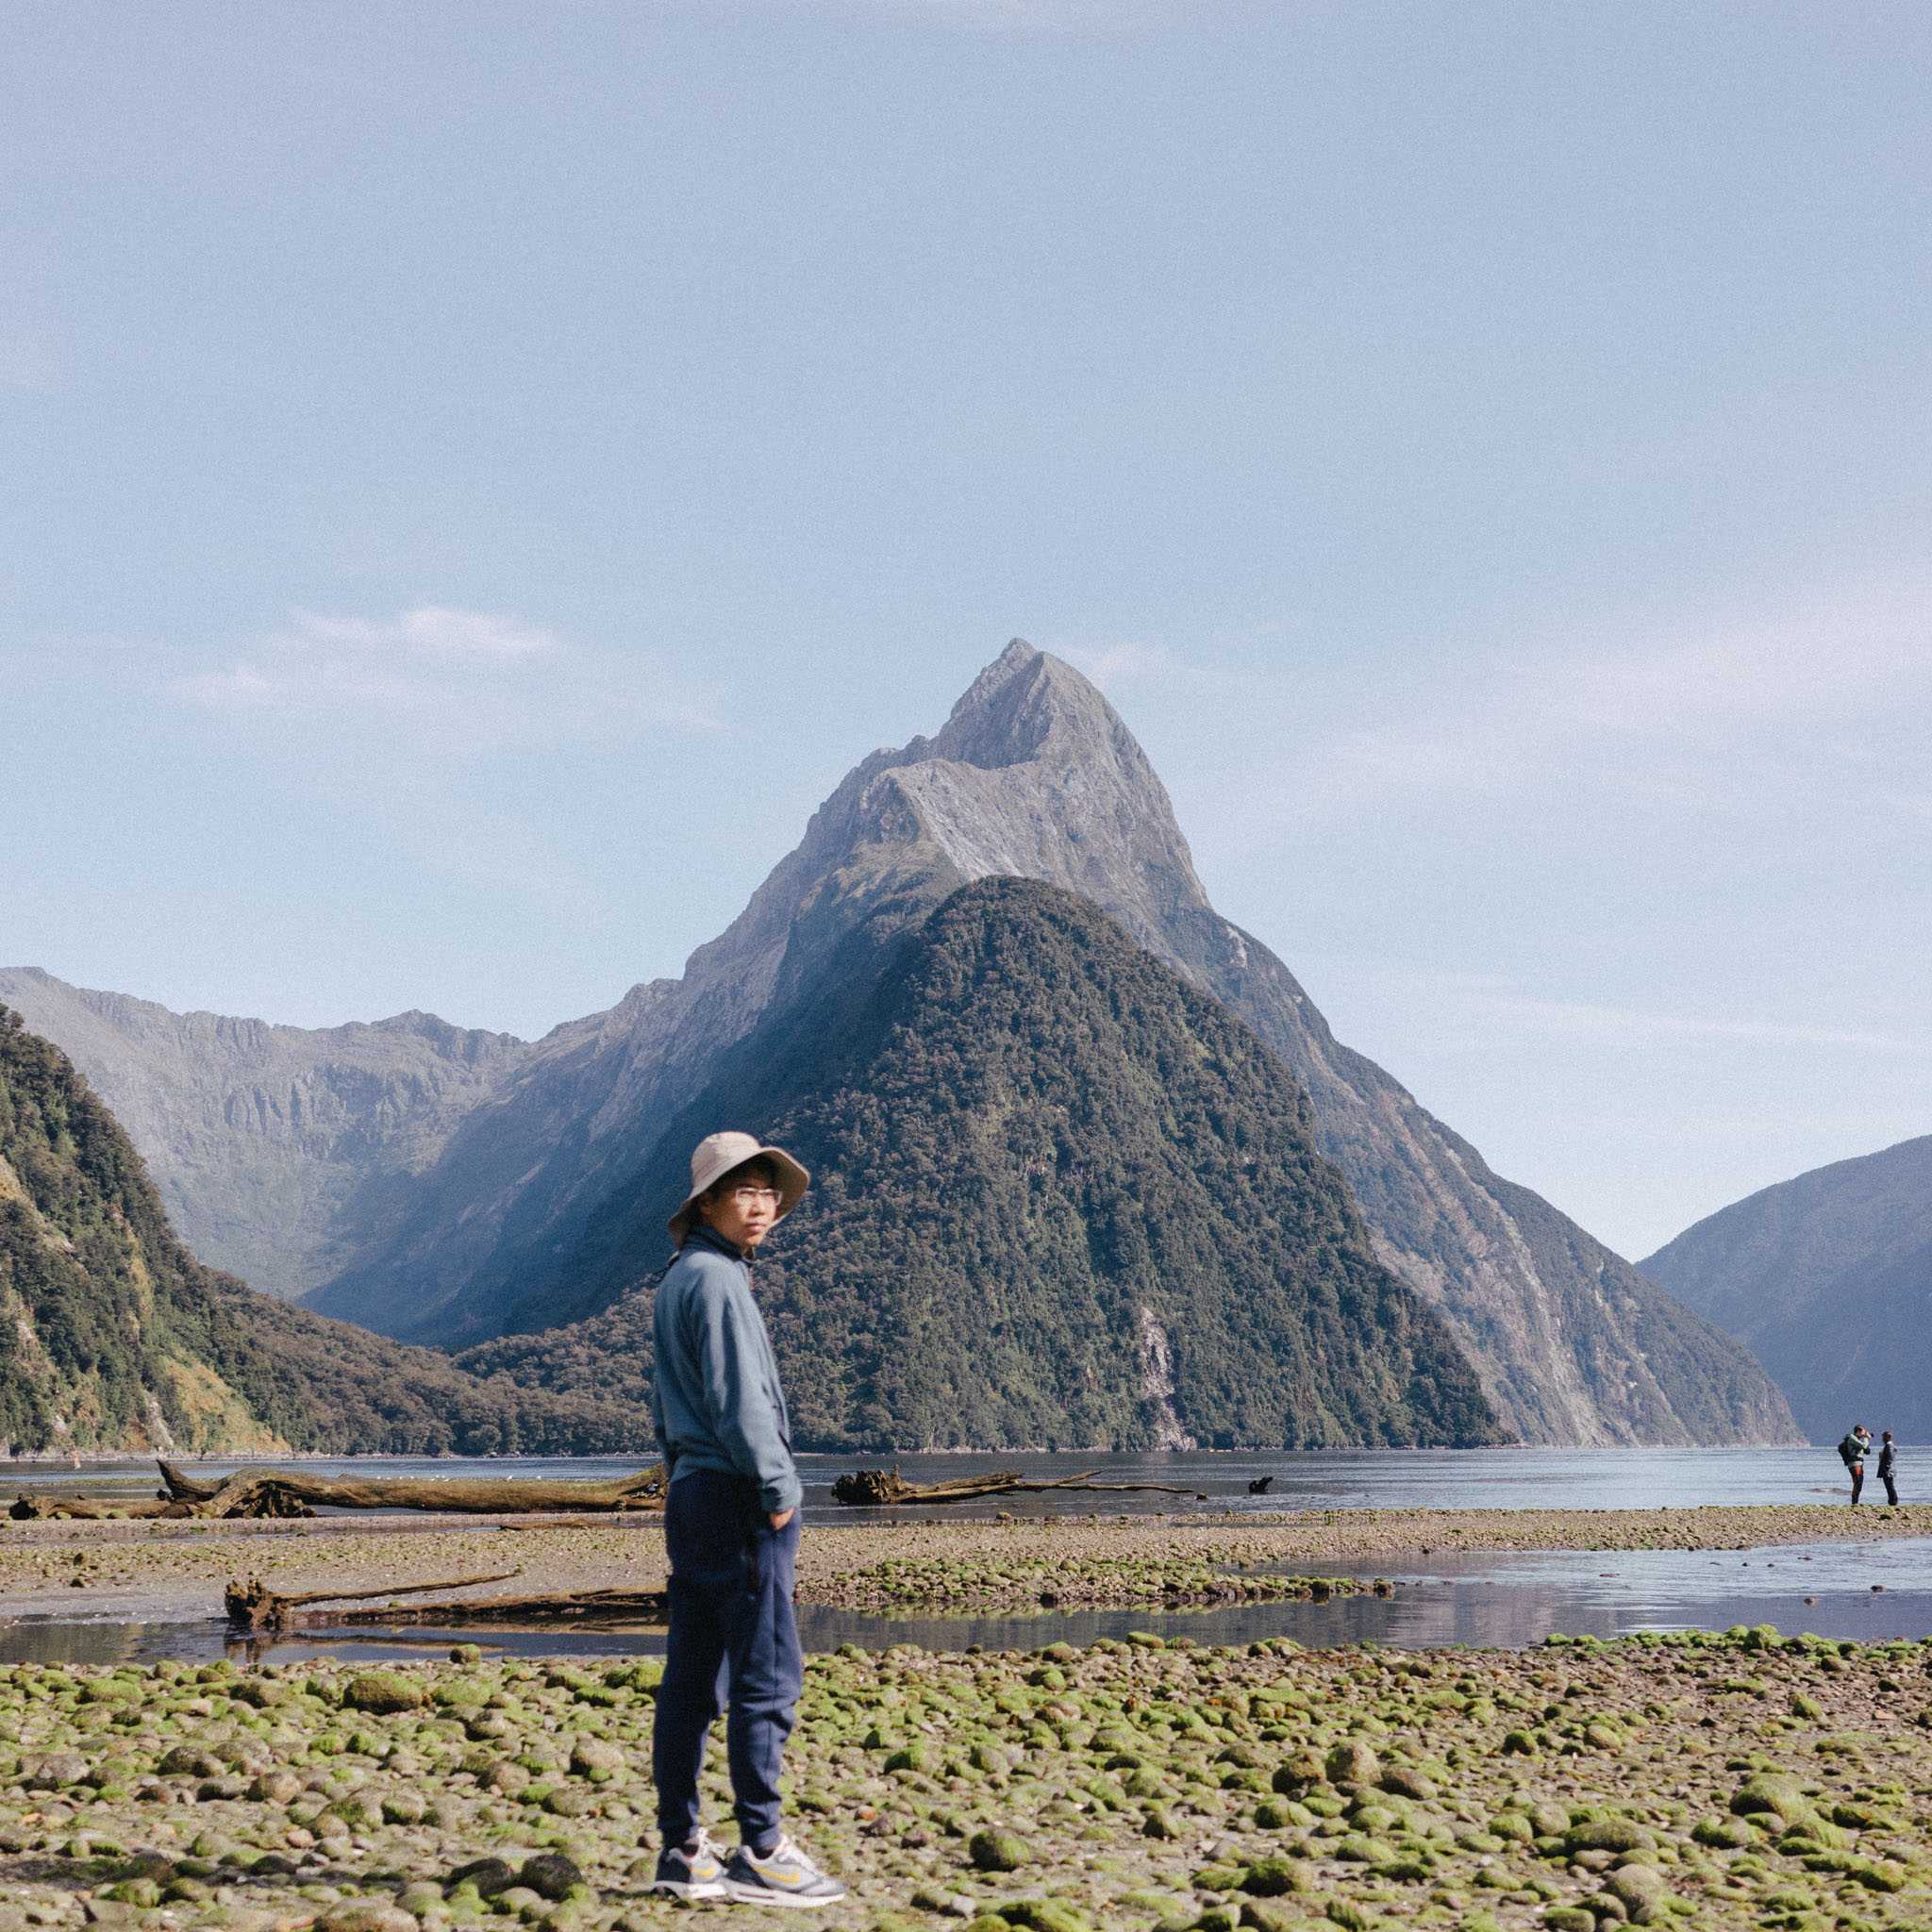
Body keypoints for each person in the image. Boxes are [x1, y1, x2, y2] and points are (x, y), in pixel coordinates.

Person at [649, 1131, 845, 1907]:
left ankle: (681, 1849)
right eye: (743, 1191)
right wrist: (777, 1488)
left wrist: (683, 1477)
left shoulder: (677, 1278)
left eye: (768, 1191)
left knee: (692, 1678)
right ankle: (762, 1850)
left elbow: (668, 1406)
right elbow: (739, 1402)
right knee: (767, 1674)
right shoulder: (721, 1283)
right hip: (737, 1496)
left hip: (693, 1493)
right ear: (708, 1202)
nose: (761, 1205)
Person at [1838, 1424, 1873, 1505]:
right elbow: (1864, 1446)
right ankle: (1854, 1502)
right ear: (1859, 1431)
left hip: (1859, 1463)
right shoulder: (1852, 1438)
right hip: (1854, 1464)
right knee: (1857, 1483)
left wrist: (1865, 1439)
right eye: (1864, 1432)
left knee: (1859, 1483)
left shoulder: (1857, 1439)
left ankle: (1855, 1502)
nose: (1864, 1434)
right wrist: (1867, 1438)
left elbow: (1866, 1450)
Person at [1879, 1431, 1899, 1507]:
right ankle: (1892, 1500)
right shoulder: (1890, 1445)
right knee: (1889, 1485)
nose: (1882, 1439)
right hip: (1889, 1470)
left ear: (1888, 1437)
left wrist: (1886, 1468)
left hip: (1888, 1470)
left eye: (1884, 1437)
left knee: (1889, 1486)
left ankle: (1893, 1501)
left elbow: (1889, 1458)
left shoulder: (1889, 1445)